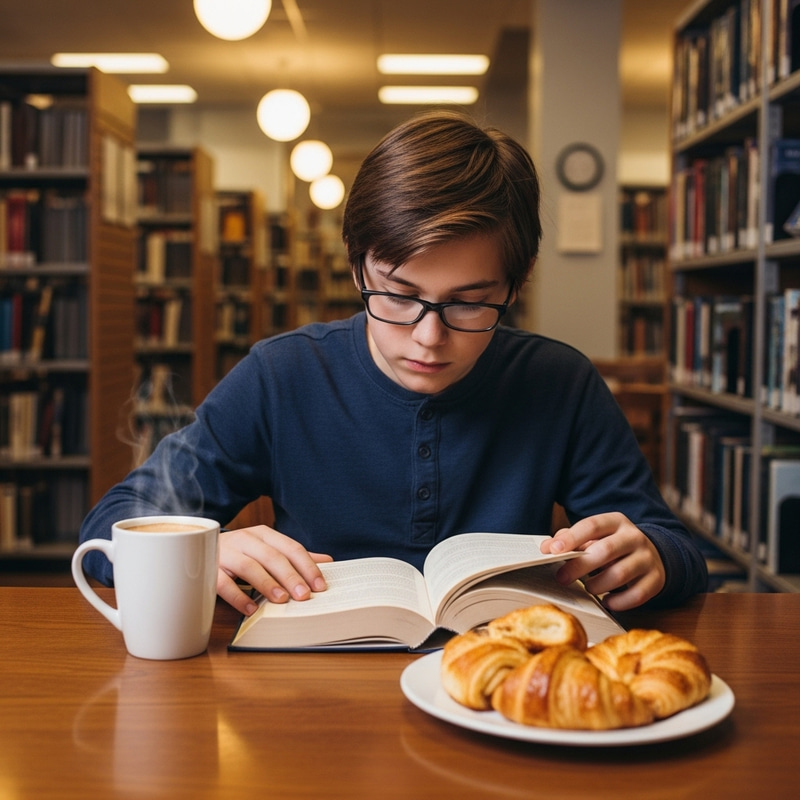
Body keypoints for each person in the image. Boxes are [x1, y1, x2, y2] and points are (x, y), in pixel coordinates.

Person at [79, 110, 707, 617]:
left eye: (469, 303)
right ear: (357, 267)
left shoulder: (560, 383)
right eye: (399, 295)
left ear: (516, 285)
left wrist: (652, 556)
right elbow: (109, 528)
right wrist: (201, 551)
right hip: (313, 704)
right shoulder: (281, 376)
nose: (428, 337)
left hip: (505, 690)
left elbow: (677, 549)